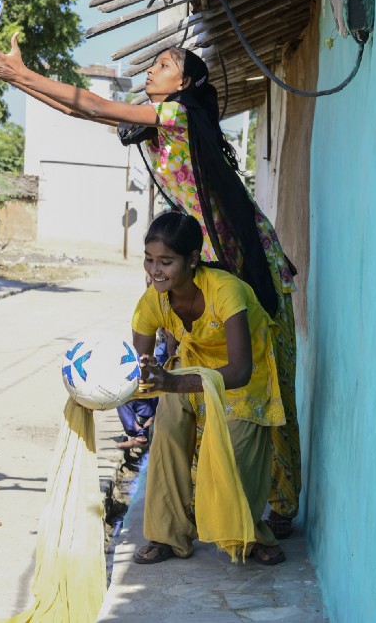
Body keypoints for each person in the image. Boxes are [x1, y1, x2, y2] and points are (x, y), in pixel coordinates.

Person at [0, 37, 301, 537]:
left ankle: (280, 505)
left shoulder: (177, 116)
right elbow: (90, 114)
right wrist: (18, 78)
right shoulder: (160, 124)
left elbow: (95, 103)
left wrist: (22, 72)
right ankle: (214, 499)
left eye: (164, 65)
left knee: (266, 378)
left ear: (184, 84)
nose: (152, 69)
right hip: (213, 261)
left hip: (249, 263)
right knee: (209, 379)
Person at [131, 211, 285, 565]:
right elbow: (137, 366)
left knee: (235, 450)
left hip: (245, 373)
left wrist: (172, 382)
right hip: (192, 365)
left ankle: (248, 533)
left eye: (166, 262)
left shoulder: (225, 290)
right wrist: (106, 388)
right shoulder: (152, 300)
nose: (155, 270)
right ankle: (167, 535)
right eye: (150, 259)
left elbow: (241, 369)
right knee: (167, 430)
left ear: (192, 260)